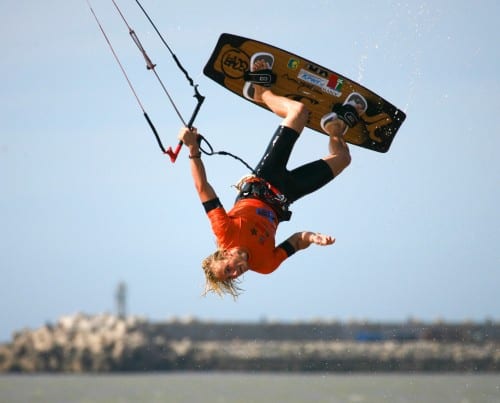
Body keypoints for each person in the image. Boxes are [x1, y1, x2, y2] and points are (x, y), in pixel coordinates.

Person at [178, 53, 367, 298]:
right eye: (233, 276)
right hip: (286, 195)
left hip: (265, 179)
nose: (237, 272)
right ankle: (334, 126)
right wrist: (314, 237)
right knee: (343, 159)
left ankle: (260, 92)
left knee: (299, 112)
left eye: (228, 269)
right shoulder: (266, 265)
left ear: (224, 255)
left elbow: (203, 188)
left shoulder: (224, 232)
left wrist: (193, 150)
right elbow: (298, 240)